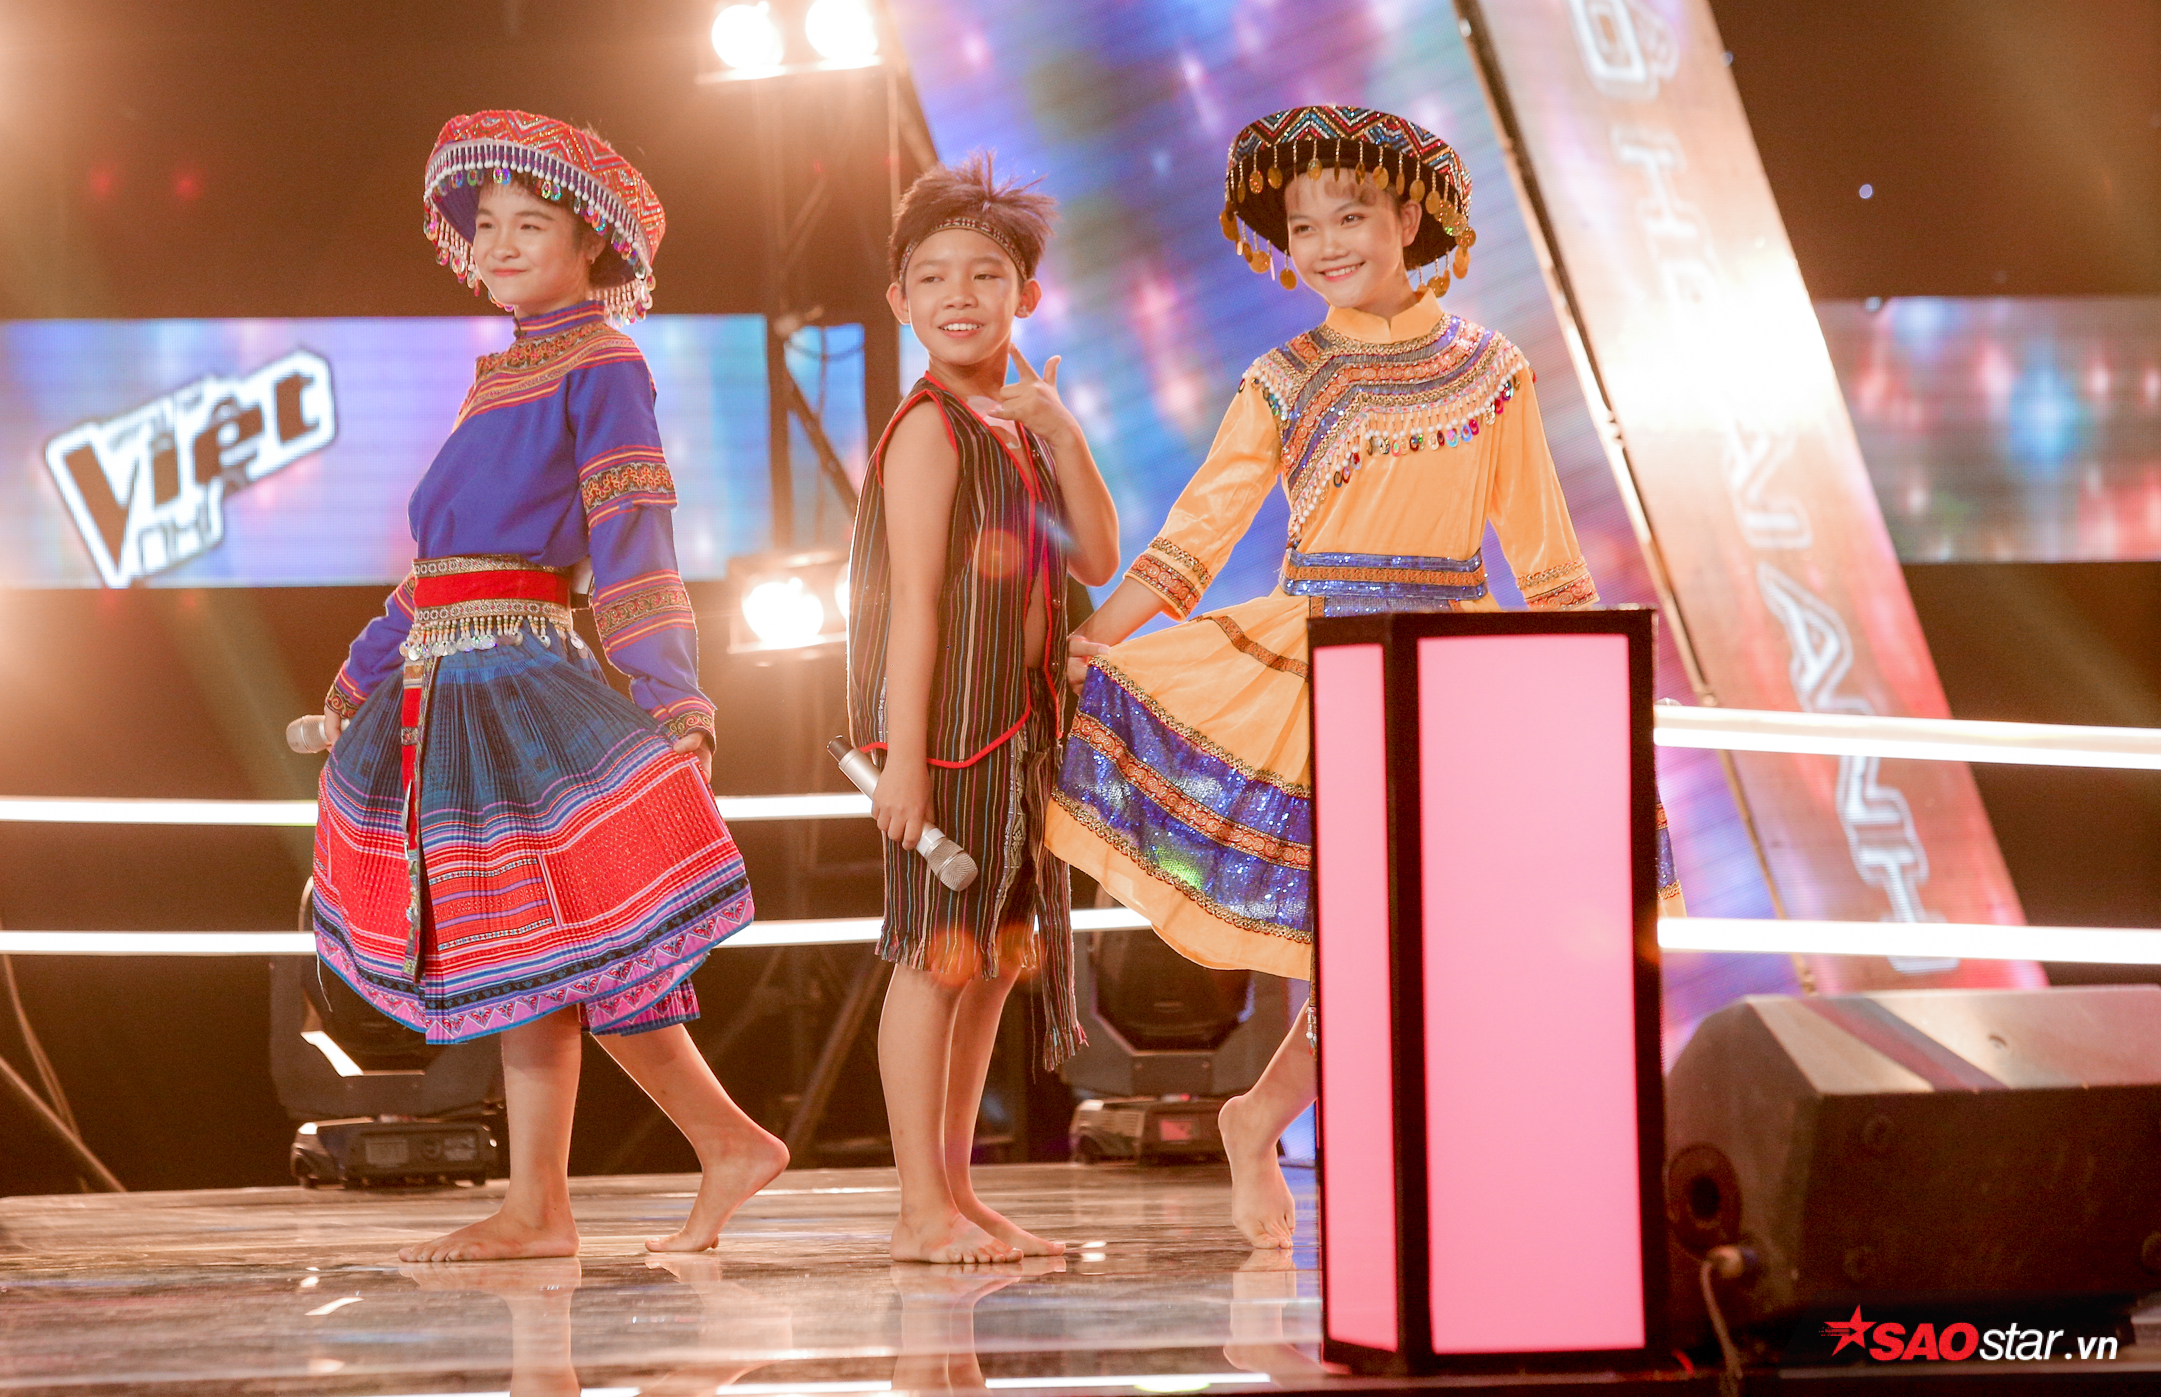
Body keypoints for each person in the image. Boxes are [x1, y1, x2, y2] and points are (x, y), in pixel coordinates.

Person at [1044, 105, 1683, 1249]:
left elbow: (1544, 555)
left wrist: (1589, 683)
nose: (1325, 242)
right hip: (1327, 669)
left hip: (1456, 671)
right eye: (1302, 226)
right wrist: (1097, 638)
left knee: (1459, 936)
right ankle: (1313, 1137)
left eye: (1349, 215)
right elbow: (1192, 539)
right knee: (1370, 941)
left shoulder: (1492, 370)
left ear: (1409, 218)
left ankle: (1286, 1120)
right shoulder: (1284, 376)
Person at [290, 110, 786, 1262]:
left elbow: (633, 533)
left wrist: (672, 699)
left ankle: (564, 1197)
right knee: (547, 948)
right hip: (450, 677)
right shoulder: (501, 373)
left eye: (530, 224)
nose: (501, 244)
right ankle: (639, 1170)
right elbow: (440, 568)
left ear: (589, 241)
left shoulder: (603, 361)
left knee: (554, 941)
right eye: (488, 226)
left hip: (516, 682)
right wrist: (359, 673)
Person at [846, 157, 1121, 1263]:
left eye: (985, 274)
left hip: (1025, 733)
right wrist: (904, 760)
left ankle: (956, 1191)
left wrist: (1062, 430)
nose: (958, 295)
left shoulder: (1017, 424)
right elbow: (910, 604)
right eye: (932, 276)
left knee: (996, 961)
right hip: (954, 737)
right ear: (898, 300)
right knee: (933, 956)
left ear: (1027, 295)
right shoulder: (929, 429)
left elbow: (1097, 557)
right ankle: (920, 1207)